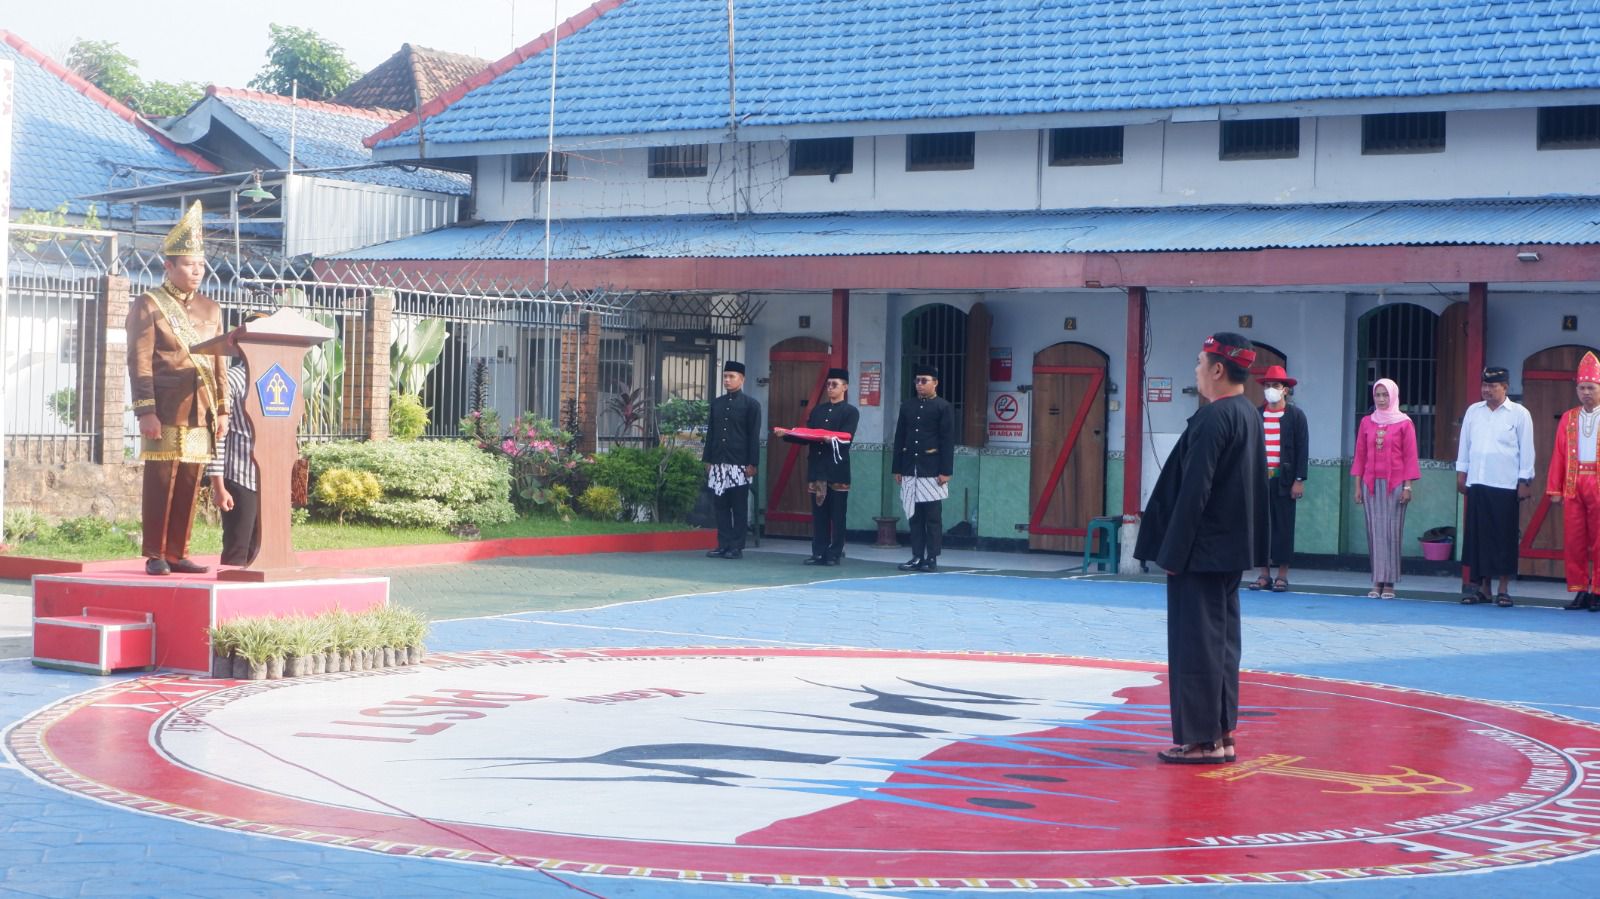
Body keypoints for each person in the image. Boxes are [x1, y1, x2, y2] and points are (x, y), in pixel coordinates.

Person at [1134, 332, 1267, 765]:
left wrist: (1173, 554)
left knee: (1195, 646)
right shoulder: (1248, 413)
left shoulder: (1213, 418)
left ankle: (1201, 741)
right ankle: (1222, 735)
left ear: (1217, 368)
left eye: (1199, 362)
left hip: (1200, 551)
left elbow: (1195, 491)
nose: (1195, 371)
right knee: (1222, 645)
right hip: (1228, 549)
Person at [127, 201, 229, 576]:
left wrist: (223, 409)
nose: (196, 271)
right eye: (188, 264)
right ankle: (155, 553)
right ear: (168, 266)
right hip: (164, 407)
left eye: (200, 264)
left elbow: (219, 363)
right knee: (160, 480)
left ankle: (178, 552)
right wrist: (145, 411)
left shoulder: (211, 309)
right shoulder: (149, 304)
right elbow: (139, 361)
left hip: (201, 408)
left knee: (189, 480)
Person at [1456, 366, 1535, 607]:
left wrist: (1524, 480)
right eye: (1484, 385)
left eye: (1492, 386)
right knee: (1478, 538)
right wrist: (1461, 473)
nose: (1486, 390)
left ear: (1505, 387)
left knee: (1503, 538)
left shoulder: (1519, 414)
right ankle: (1482, 589)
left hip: (1505, 485)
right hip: (1478, 481)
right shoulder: (1473, 411)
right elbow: (1465, 445)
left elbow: (1527, 449)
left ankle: (1503, 589)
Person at [205, 312, 271, 569]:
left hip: (269, 480)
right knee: (238, 550)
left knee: (262, 551)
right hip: (240, 478)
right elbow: (218, 436)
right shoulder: (231, 380)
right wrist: (219, 486)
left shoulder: (277, 379)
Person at [775, 367, 859, 566]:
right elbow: (807, 435)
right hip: (818, 467)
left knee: (837, 515)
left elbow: (847, 437)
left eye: (834, 384)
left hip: (837, 469)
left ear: (845, 387)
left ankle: (834, 553)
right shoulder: (818, 410)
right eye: (828, 384)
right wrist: (787, 435)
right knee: (819, 514)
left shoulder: (850, 412)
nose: (830, 388)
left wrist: (829, 438)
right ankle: (818, 552)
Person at [1351, 378, 1421, 599]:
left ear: (1393, 396)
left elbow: (1410, 457)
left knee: (1392, 532)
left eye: (1385, 395)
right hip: (1370, 485)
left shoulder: (1404, 423)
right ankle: (1376, 580)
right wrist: (1357, 487)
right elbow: (1360, 456)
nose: (1381, 399)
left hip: (1396, 485)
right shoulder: (1367, 422)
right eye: (1377, 395)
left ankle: (1389, 582)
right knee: (1374, 532)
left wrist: (1408, 487)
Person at [1546, 352, 1600, 611]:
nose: (1586, 392)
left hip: (1598, 484)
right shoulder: (1569, 417)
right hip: (1573, 482)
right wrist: (1554, 488)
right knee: (1574, 540)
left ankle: (1598, 591)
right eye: (1582, 388)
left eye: (1591, 387)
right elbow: (1558, 454)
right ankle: (1579, 590)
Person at [1247, 364, 1308, 594]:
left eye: (1275, 385)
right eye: (1267, 385)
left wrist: (1299, 479)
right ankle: (1264, 574)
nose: (1270, 389)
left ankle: (1282, 575)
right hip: (1260, 480)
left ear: (1285, 390)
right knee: (1261, 526)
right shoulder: (1256, 415)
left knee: (1283, 527)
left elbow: (1302, 449)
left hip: (1285, 481)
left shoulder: (1296, 416)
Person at [892, 364, 955, 572]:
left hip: (932, 469)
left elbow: (947, 441)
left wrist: (946, 471)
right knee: (914, 516)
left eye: (924, 381)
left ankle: (932, 557)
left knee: (933, 517)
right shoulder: (907, 406)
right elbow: (899, 437)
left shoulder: (943, 407)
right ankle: (917, 556)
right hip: (910, 467)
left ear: (935, 383)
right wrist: (897, 468)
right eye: (917, 380)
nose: (919, 384)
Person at [703, 360, 761, 559]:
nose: (727, 380)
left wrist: (753, 463)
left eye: (731, 376)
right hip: (719, 462)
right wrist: (708, 459)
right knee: (720, 506)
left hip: (740, 463)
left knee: (739, 506)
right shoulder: (717, 403)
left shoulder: (751, 405)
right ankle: (723, 544)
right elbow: (711, 433)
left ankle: (736, 546)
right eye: (725, 376)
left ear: (742, 379)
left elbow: (753, 436)